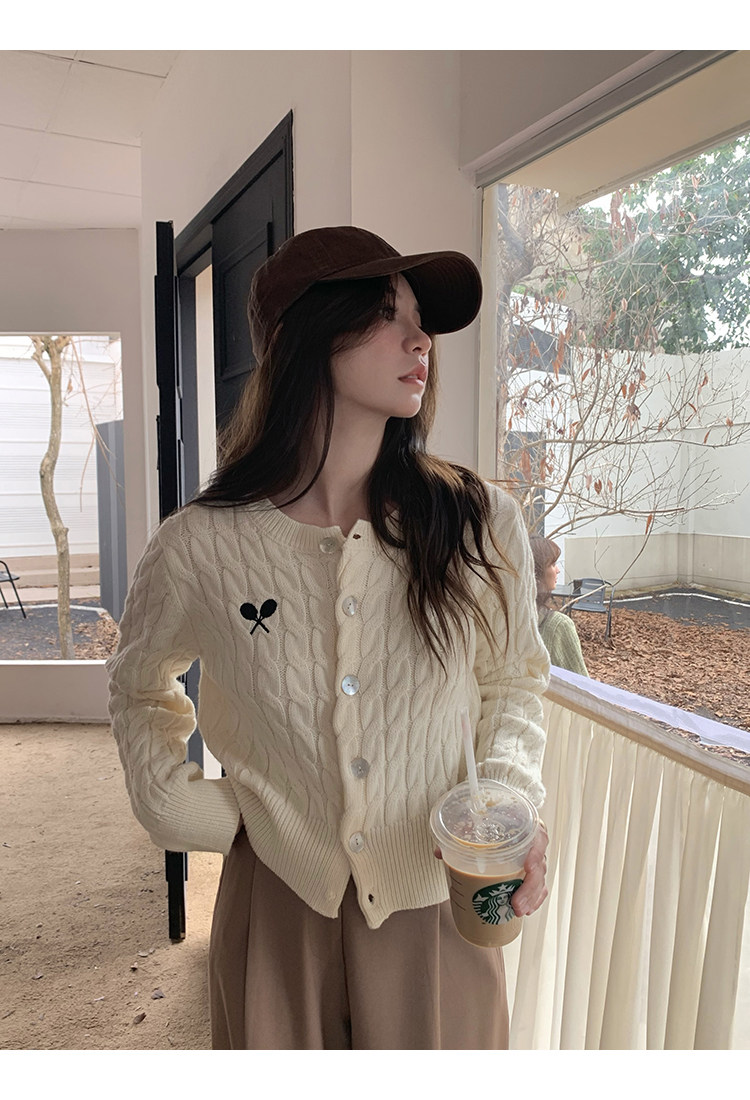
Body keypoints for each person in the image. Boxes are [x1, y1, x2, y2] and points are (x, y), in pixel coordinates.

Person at [108, 225, 551, 1051]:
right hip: (276, 903)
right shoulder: (200, 546)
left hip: (439, 902)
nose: (420, 340)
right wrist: (184, 808)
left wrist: (505, 804)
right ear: (304, 336)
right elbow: (138, 683)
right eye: (386, 313)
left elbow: (513, 682)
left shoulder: (478, 523)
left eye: (421, 319)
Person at [530, 536, 589, 676]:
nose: (558, 570)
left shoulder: (506, 619)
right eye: (552, 564)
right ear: (536, 572)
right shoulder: (558, 626)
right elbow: (581, 683)